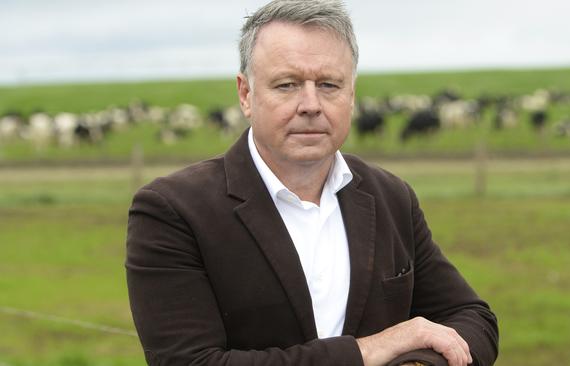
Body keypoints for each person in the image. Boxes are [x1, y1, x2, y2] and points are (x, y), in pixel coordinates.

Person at [125, 1, 498, 365]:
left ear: (351, 94)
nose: (310, 104)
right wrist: (370, 351)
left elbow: (472, 318)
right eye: (287, 85)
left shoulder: (390, 196)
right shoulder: (172, 211)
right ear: (245, 94)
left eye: (329, 85)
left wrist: (418, 362)